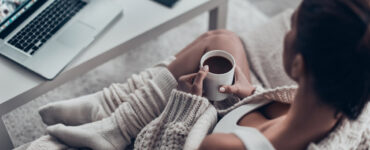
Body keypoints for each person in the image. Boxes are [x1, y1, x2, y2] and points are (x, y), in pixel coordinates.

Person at [35, 0, 369, 149]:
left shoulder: (223, 148)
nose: (286, 32)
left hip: (207, 129)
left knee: (210, 56)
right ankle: (110, 112)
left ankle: (117, 128)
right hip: (246, 115)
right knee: (223, 40)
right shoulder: (346, 109)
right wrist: (252, 96)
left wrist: (186, 107)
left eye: (291, 28)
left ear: (298, 66)